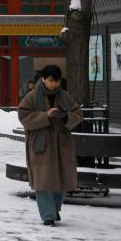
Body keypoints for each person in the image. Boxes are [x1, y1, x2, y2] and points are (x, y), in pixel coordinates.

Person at [18, 65, 82, 226]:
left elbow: (77, 114)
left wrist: (65, 116)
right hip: (41, 144)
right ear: (43, 79)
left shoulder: (64, 96)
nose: (54, 84)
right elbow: (24, 116)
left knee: (62, 177)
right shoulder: (32, 97)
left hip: (61, 143)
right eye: (51, 80)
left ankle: (54, 210)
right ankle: (48, 215)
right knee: (43, 181)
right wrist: (45, 116)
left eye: (57, 80)